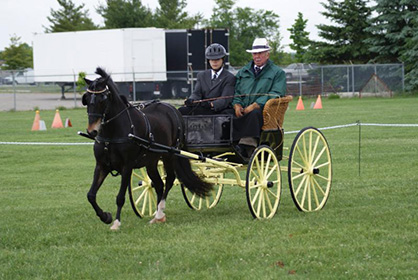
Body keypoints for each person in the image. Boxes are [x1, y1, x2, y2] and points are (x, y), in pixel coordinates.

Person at [231, 38, 286, 158]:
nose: (257, 56)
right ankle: (229, 146)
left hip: (264, 112)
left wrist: (256, 104)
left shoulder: (277, 73)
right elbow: (236, 92)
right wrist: (237, 105)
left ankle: (247, 146)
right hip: (243, 109)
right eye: (255, 53)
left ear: (267, 54)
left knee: (254, 113)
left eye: (260, 53)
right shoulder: (243, 72)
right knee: (226, 114)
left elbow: (276, 93)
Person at [178, 43, 235, 115]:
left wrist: (211, 104)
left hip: (218, 110)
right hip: (204, 108)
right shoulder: (201, 75)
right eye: (212, 59)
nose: (214, 62)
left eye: (217, 59)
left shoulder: (230, 77)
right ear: (208, 60)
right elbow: (196, 93)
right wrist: (192, 100)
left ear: (223, 59)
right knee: (182, 110)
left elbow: (225, 99)